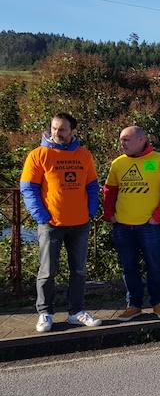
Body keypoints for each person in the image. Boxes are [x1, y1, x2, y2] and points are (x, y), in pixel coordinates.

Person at [20, 112, 102, 332]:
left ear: (72, 131)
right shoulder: (38, 155)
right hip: (51, 224)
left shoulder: (84, 155)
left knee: (79, 270)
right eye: (54, 128)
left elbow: (92, 185)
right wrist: (40, 215)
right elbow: (28, 187)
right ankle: (45, 312)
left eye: (63, 129)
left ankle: (76, 312)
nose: (57, 132)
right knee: (48, 270)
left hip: (80, 223)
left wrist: (91, 210)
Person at [103, 126, 160, 321]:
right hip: (122, 226)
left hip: (149, 226)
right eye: (121, 140)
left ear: (141, 140)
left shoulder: (159, 161)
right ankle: (134, 305)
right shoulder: (118, 164)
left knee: (154, 265)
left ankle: (158, 304)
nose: (122, 144)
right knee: (128, 267)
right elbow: (109, 191)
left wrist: (157, 217)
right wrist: (109, 214)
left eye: (126, 140)